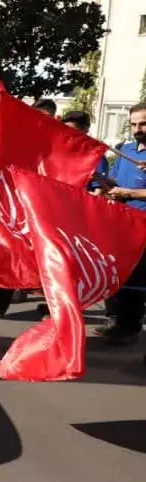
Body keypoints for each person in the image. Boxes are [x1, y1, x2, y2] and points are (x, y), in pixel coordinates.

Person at [92, 103, 146, 345]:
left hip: (143, 224)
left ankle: (130, 325)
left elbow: (131, 189)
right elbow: (116, 179)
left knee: (137, 276)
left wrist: (129, 193)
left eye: (143, 124)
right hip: (120, 221)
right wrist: (102, 182)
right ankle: (115, 319)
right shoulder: (126, 149)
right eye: (134, 124)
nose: (138, 129)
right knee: (115, 271)